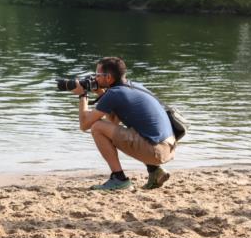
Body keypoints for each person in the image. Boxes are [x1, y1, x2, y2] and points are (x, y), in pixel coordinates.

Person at [73, 57, 177, 191]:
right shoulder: (134, 86)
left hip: (156, 151)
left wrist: (82, 95)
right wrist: (100, 93)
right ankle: (155, 172)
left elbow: (84, 125)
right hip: (169, 146)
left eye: (97, 75)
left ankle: (119, 179)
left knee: (97, 127)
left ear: (108, 77)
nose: (94, 79)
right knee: (134, 128)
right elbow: (113, 122)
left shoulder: (115, 94)